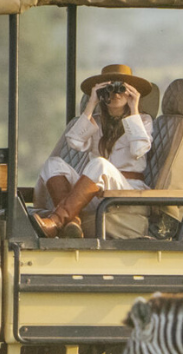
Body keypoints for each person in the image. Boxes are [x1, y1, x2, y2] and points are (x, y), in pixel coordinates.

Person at [30, 63, 154, 237]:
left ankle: (57, 221)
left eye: (122, 88)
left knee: (100, 164)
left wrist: (134, 108)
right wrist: (91, 103)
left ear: (131, 92)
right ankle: (72, 222)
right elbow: (74, 142)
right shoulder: (96, 120)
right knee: (53, 163)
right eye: (109, 89)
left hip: (126, 189)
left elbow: (139, 149)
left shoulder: (143, 120)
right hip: (96, 192)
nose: (116, 93)